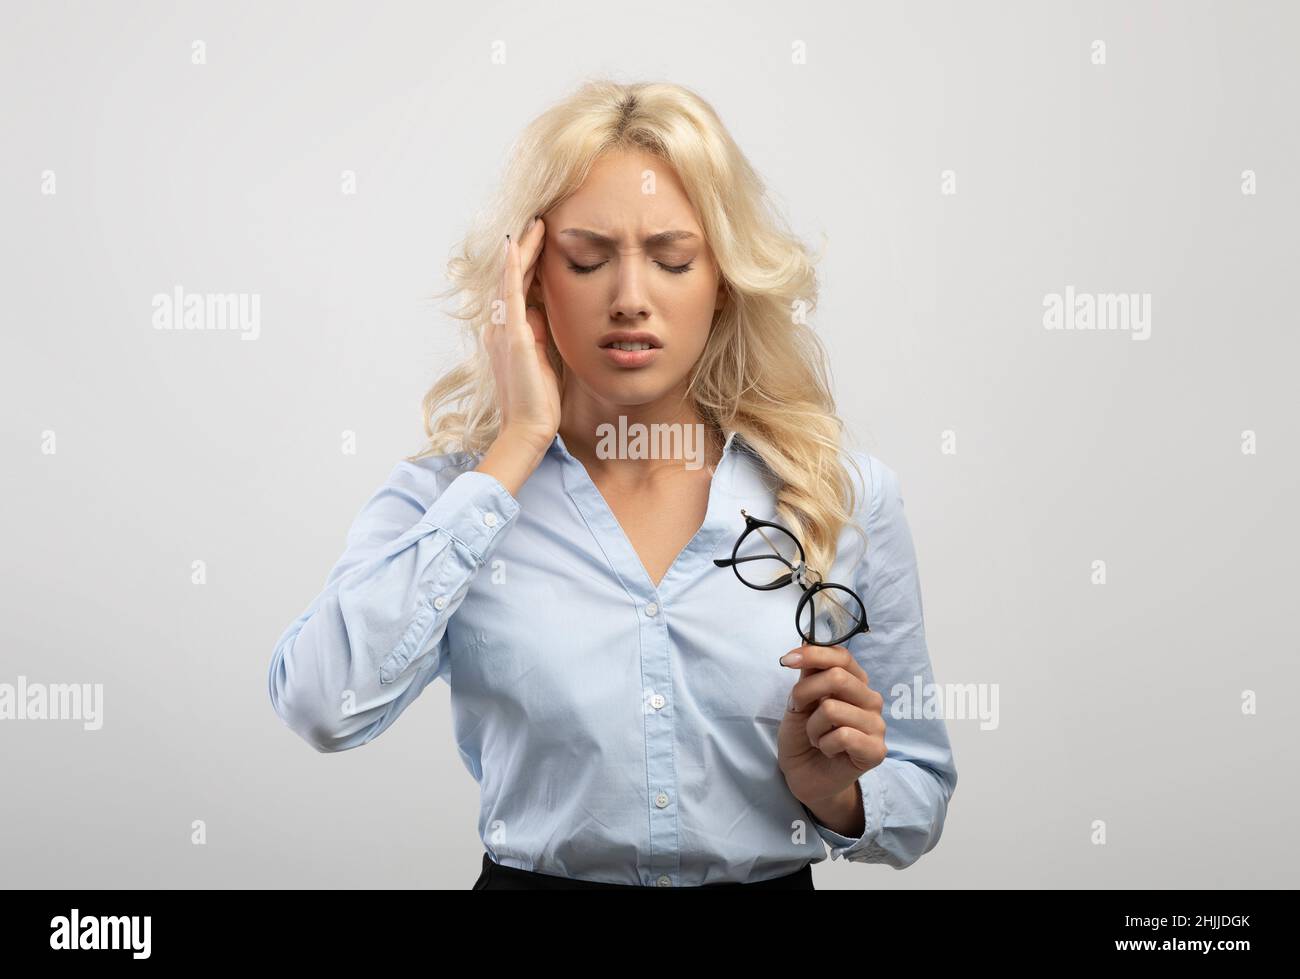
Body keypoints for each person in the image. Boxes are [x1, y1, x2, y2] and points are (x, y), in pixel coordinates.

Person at [267, 78, 957, 889]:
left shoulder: (840, 494)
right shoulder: (449, 500)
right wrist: (520, 441)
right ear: (528, 282)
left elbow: (921, 785)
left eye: (671, 260)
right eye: (588, 260)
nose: (631, 300)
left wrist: (836, 796)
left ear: (724, 280)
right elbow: (321, 705)